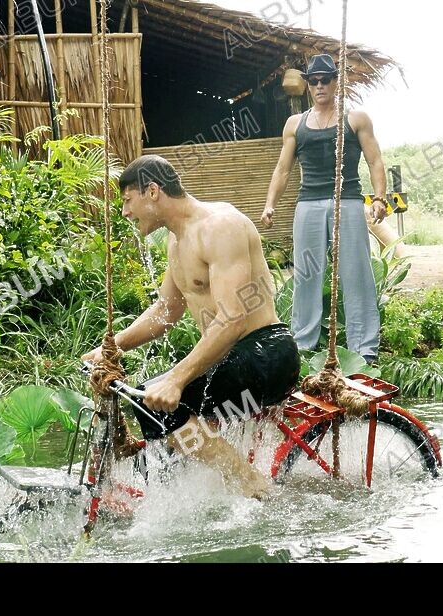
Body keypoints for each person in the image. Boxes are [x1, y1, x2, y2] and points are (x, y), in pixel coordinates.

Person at [83, 155, 300, 499]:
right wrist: (114, 346)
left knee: (157, 402)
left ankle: (255, 486)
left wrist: (176, 379)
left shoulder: (219, 226)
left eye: (127, 200)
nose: (124, 211)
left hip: (267, 353)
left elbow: (233, 318)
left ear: (152, 191)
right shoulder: (176, 239)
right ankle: (178, 496)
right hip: (228, 358)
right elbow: (166, 311)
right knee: (149, 404)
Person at [261, 53, 388, 365]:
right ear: (307, 85)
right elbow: (282, 168)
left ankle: (365, 349)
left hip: (347, 200)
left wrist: (380, 198)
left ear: (336, 82)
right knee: (306, 273)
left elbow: (375, 160)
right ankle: (303, 346)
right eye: (313, 81)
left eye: (325, 80)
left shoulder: (356, 119)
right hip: (308, 203)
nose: (319, 85)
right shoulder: (295, 124)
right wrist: (269, 205)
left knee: (355, 270)